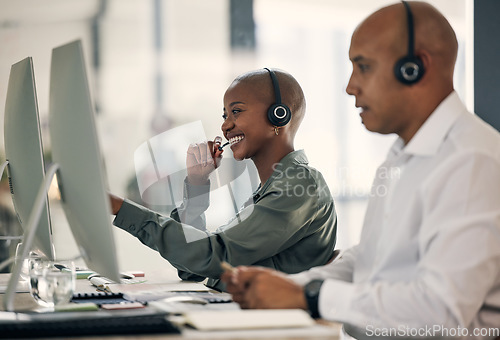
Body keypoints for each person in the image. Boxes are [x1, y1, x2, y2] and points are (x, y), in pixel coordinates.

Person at [221, 1, 500, 338]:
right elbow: (372, 260)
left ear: (415, 67)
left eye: (363, 67)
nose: (350, 86)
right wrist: (292, 286)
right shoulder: (403, 157)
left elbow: (440, 312)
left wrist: (312, 297)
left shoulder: (471, 161)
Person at [110, 68, 337, 291]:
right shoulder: (271, 188)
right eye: (225, 115)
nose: (225, 125)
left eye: (236, 112)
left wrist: (121, 208)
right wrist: (197, 184)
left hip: (270, 323)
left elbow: (214, 257)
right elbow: (195, 268)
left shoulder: (297, 186)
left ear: (278, 115)